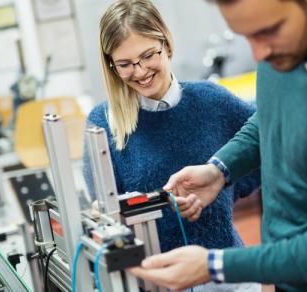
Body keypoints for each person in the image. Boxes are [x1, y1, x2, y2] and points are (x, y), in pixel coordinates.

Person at [129, 0, 307, 291]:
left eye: (268, 31)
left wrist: (214, 266)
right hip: (294, 277)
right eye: (248, 36)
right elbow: (272, 114)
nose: (259, 53)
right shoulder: (287, 43)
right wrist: (219, 170)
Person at [83, 0, 260, 290]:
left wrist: (221, 185)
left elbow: (264, 147)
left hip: (226, 277)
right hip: (156, 282)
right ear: (111, 65)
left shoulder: (213, 101)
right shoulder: (104, 123)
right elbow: (106, 216)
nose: (139, 72)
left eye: (147, 55)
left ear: (165, 43)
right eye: (125, 64)